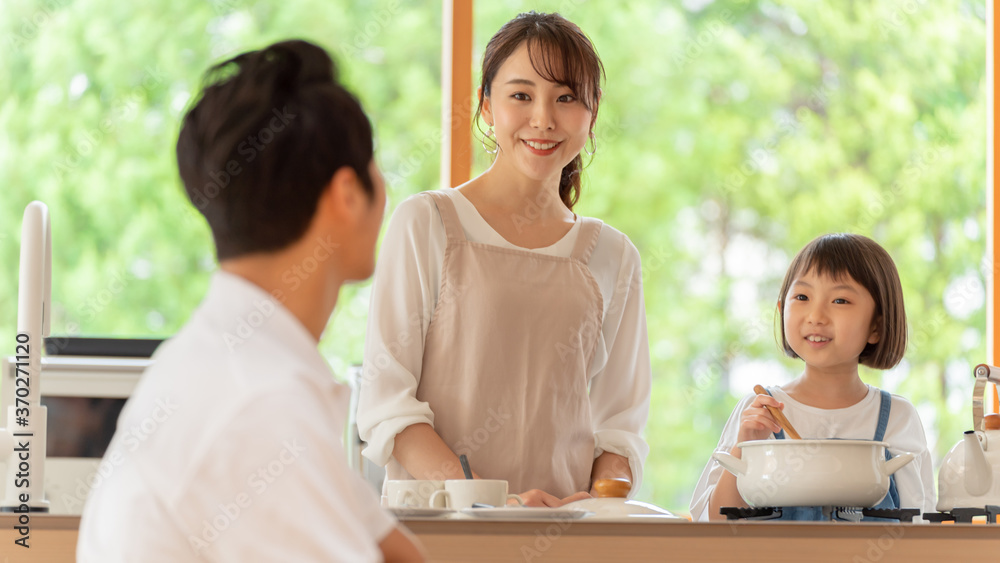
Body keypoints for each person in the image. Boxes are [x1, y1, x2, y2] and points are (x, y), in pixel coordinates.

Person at [77, 40, 424, 562]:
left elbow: (395, 552)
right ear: (346, 196)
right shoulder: (260, 404)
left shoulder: (218, 362)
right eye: (375, 164)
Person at [357, 11, 651, 508]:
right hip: (440, 537)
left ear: (592, 112)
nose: (543, 118)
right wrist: (487, 504)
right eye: (521, 95)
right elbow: (388, 405)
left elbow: (618, 434)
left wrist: (589, 505)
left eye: (566, 98)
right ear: (486, 105)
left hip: (563, 542)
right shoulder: (426, 222)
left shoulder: (614, 256)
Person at [689, 233, 936, 522]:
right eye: (802, 297)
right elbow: (714, 525)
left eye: (840, 300)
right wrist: (745, 447)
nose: (816, 315)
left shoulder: (898, 417)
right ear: (782, 310)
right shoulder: (759, 411)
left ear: (877, 326)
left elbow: (920, 525)